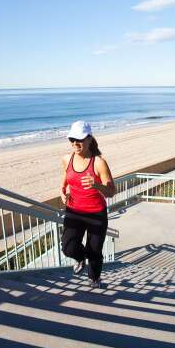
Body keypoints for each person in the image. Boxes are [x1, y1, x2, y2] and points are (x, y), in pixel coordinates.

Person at [60, 120, 115, 288]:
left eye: (80, 139)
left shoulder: (99, 162)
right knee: (68, 247)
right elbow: (66, 175)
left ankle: (94, 278)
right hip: (74, 210)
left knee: (95, 250)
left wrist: (96, 185)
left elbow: (111, 191)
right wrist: (62, 189)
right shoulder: (66, 158)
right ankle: (79, 257)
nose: (75, 143)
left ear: (89, 139)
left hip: (96, 213)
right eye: (72, 140)